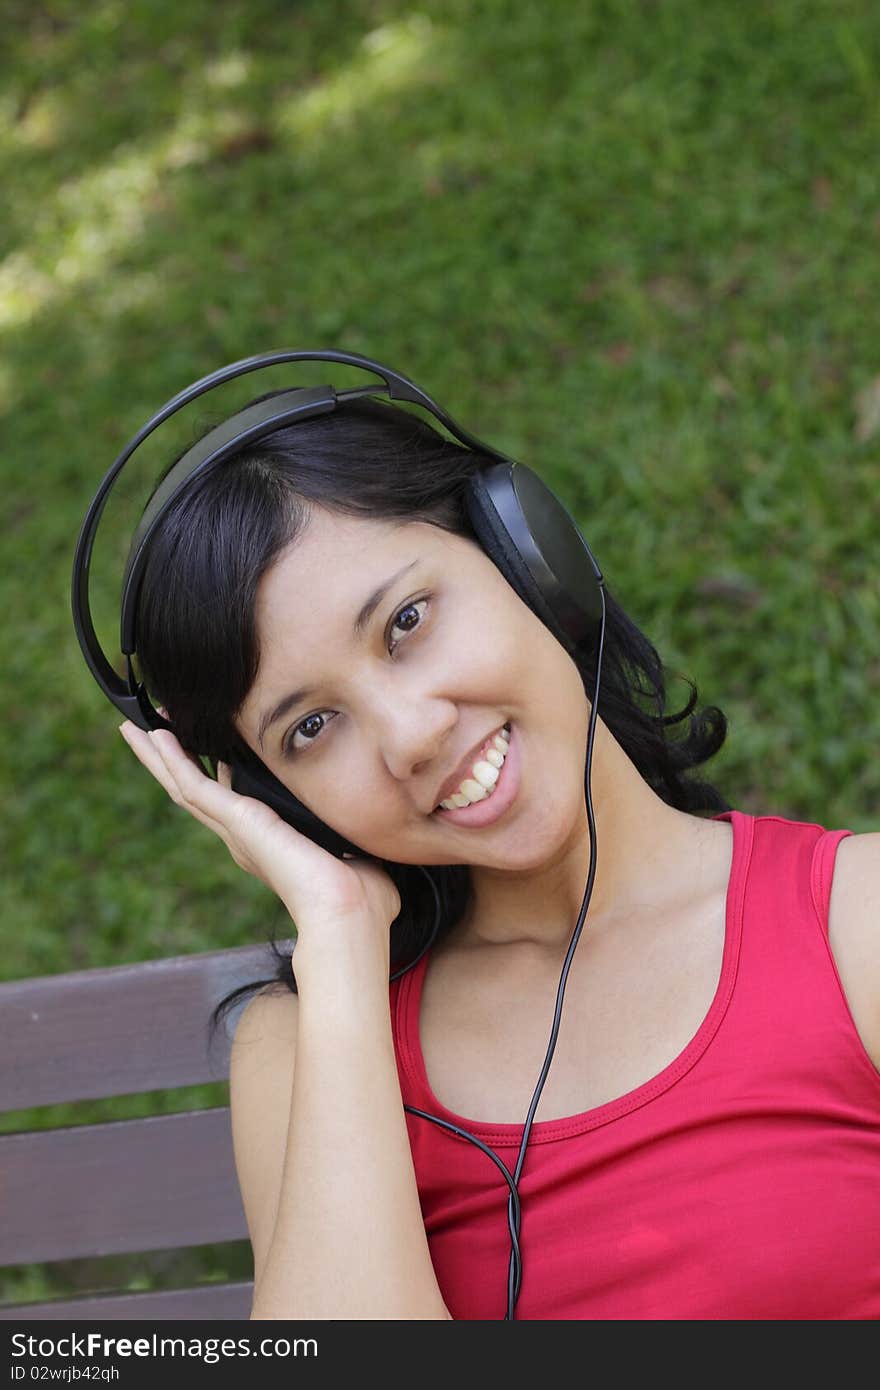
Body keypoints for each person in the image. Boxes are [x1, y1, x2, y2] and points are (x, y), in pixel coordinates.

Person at [115, 389, 880, 1321]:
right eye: (312, 727)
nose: (411, 736)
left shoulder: (855, 924)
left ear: (530, 557)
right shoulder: (309, 1053)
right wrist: (342, 941)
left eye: (405, 622)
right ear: (279, 803)